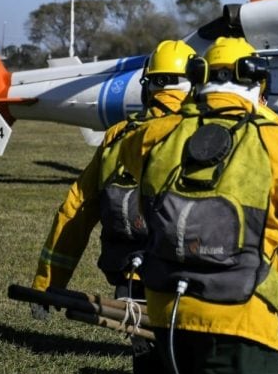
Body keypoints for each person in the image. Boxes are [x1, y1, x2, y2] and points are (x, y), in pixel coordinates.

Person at [118, 37, 278, 374]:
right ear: (257, 82)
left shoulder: (153, 139)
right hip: (241, 320)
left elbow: (132, 153)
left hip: (167, 315)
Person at [32, 40, 196, 298]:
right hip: (192, 278)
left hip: (128, 276)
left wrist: (47, 284)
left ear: (147, 87)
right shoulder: (207, 134)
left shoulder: (118, 136)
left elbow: (76, 207)